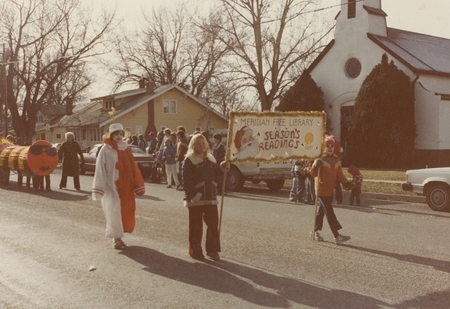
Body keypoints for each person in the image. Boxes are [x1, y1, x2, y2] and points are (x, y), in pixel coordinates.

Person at [92, 123, 145, 249]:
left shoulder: (126, 148)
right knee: (113, 210)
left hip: (125, 185)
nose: (119, 136)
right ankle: (116, 239)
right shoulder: (105, 149)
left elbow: (133, 166)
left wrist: (137, 184)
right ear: (111, 135)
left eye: (121, 134)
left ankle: (120, 236)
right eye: (116, 134)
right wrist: (100, 186)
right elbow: (100, 167)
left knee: (124, 210)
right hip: (111, 185)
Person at [182, 133, 229, 261]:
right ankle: (195, 251)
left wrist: (222, 167)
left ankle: (212, 250)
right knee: (196, 226)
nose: (201, 146)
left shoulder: (210, 158)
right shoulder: (189, 160)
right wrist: (193, 195)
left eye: (203, 144)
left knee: (213, 225)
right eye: (198, 144)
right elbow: (186, 181)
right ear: (193, 145)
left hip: (210, 197)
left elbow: (216, 174)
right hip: (196, 198)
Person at [310, 135, 352, 244]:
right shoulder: (320, 158)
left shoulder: (336, 159)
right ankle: (336, 235)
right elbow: (313, 173)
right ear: (323, 147)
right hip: (321, 189)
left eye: (331, 146)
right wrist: (315, 165)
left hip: (330, 190)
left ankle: (314, 231)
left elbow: (339, 174)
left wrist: (346, 183)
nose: (330, 148)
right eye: (327, 146)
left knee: (321, 212)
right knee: (329, 211)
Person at [325, 132, 343, 204]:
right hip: (337, 163)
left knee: (330, 183)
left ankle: (330, 198)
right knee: (337, 182)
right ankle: (339, 199)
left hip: (329, 164)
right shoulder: (336, 143)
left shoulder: (326, 142)